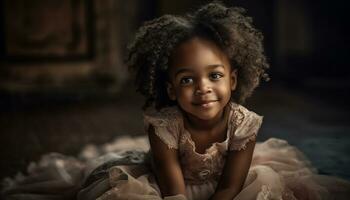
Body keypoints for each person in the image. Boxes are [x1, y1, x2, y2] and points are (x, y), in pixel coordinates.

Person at [2, 2, 350, 200]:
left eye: (214, 76)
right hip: (169, 189)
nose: (203, 89)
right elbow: (173, 188)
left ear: (233, 78)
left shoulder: (244, 123)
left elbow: (231, 185)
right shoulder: (164, 126)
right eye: (187, 79)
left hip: (226, 189)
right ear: (170, 88)